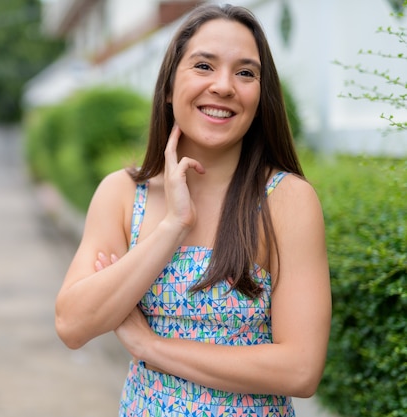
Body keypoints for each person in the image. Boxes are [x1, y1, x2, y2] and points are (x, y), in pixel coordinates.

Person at [55, 3, 331, 416]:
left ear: (261, 95)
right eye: (204, 66)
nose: (223, 86)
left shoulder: (286, 200)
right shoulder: (123, 194)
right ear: (168, 86)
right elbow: (73, 324)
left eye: (245, 72)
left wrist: (151, 347)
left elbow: (300, 370)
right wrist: (173, 227)